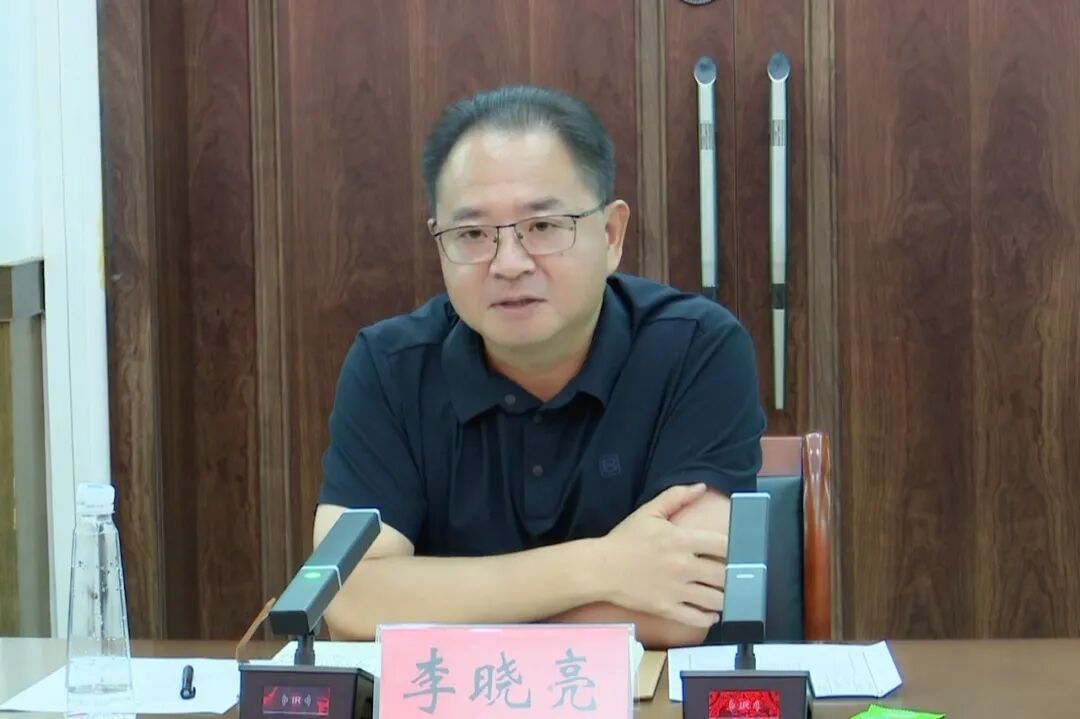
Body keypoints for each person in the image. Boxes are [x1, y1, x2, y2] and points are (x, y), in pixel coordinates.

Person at [313, 84, 766, 649]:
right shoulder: (389, 367)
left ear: (611, 234)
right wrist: (603, 565)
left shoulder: (697, 349)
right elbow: (346, 600)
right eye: (472, 234)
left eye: (544, 226)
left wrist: (431, 604)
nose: (508, 264)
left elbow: (682, 609)